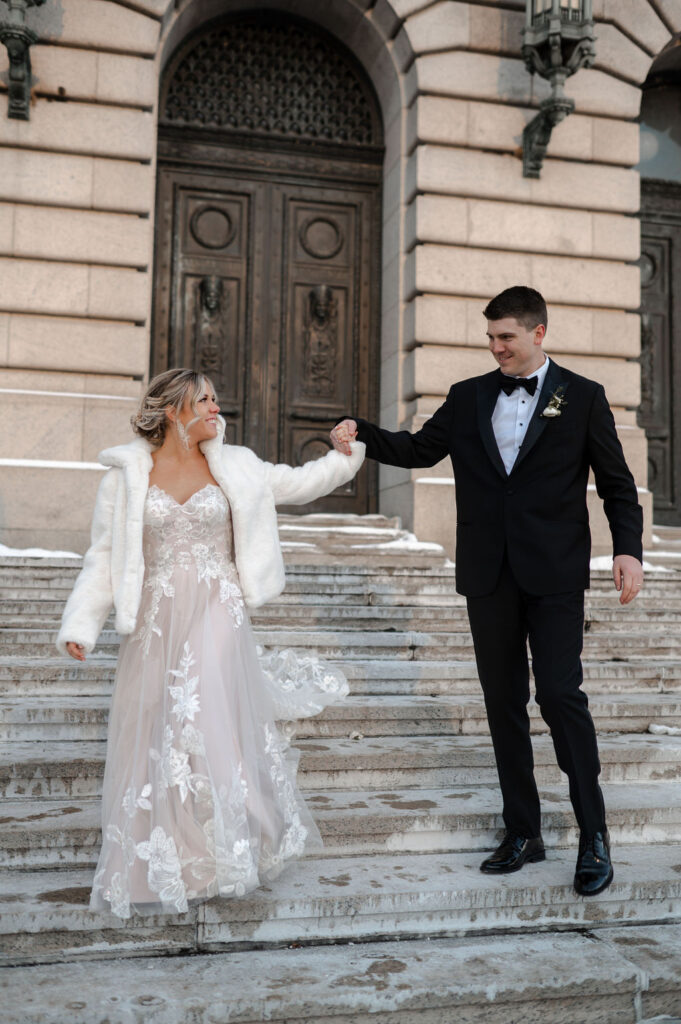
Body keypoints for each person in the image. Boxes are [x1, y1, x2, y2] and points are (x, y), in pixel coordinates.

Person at [331, 286, 644, 897]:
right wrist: (361, 431)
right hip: (488, 572)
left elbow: (616, 481)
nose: (497, 348)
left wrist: (628, 548)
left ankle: (594, 834)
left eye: (506, 337)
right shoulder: (469, 395)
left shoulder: (581, 397)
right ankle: (523, 831)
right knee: (503, 704)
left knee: (559, 695)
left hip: (554, 573)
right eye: (491, 339)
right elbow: (420, 450)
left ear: (538, 333)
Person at [57, 368, 364, 919]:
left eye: (216, 399)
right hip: (155, 615)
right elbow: (104, 556)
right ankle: (183, 855)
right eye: (205, 400)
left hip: (217, 606)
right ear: (175, 409)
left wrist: (344, 456)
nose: (216, 408)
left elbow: (299, 482)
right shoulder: (126, 474)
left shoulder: (236, 465)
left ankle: (238, 836)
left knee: (206, 711)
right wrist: (82, 624)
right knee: (158, 723)